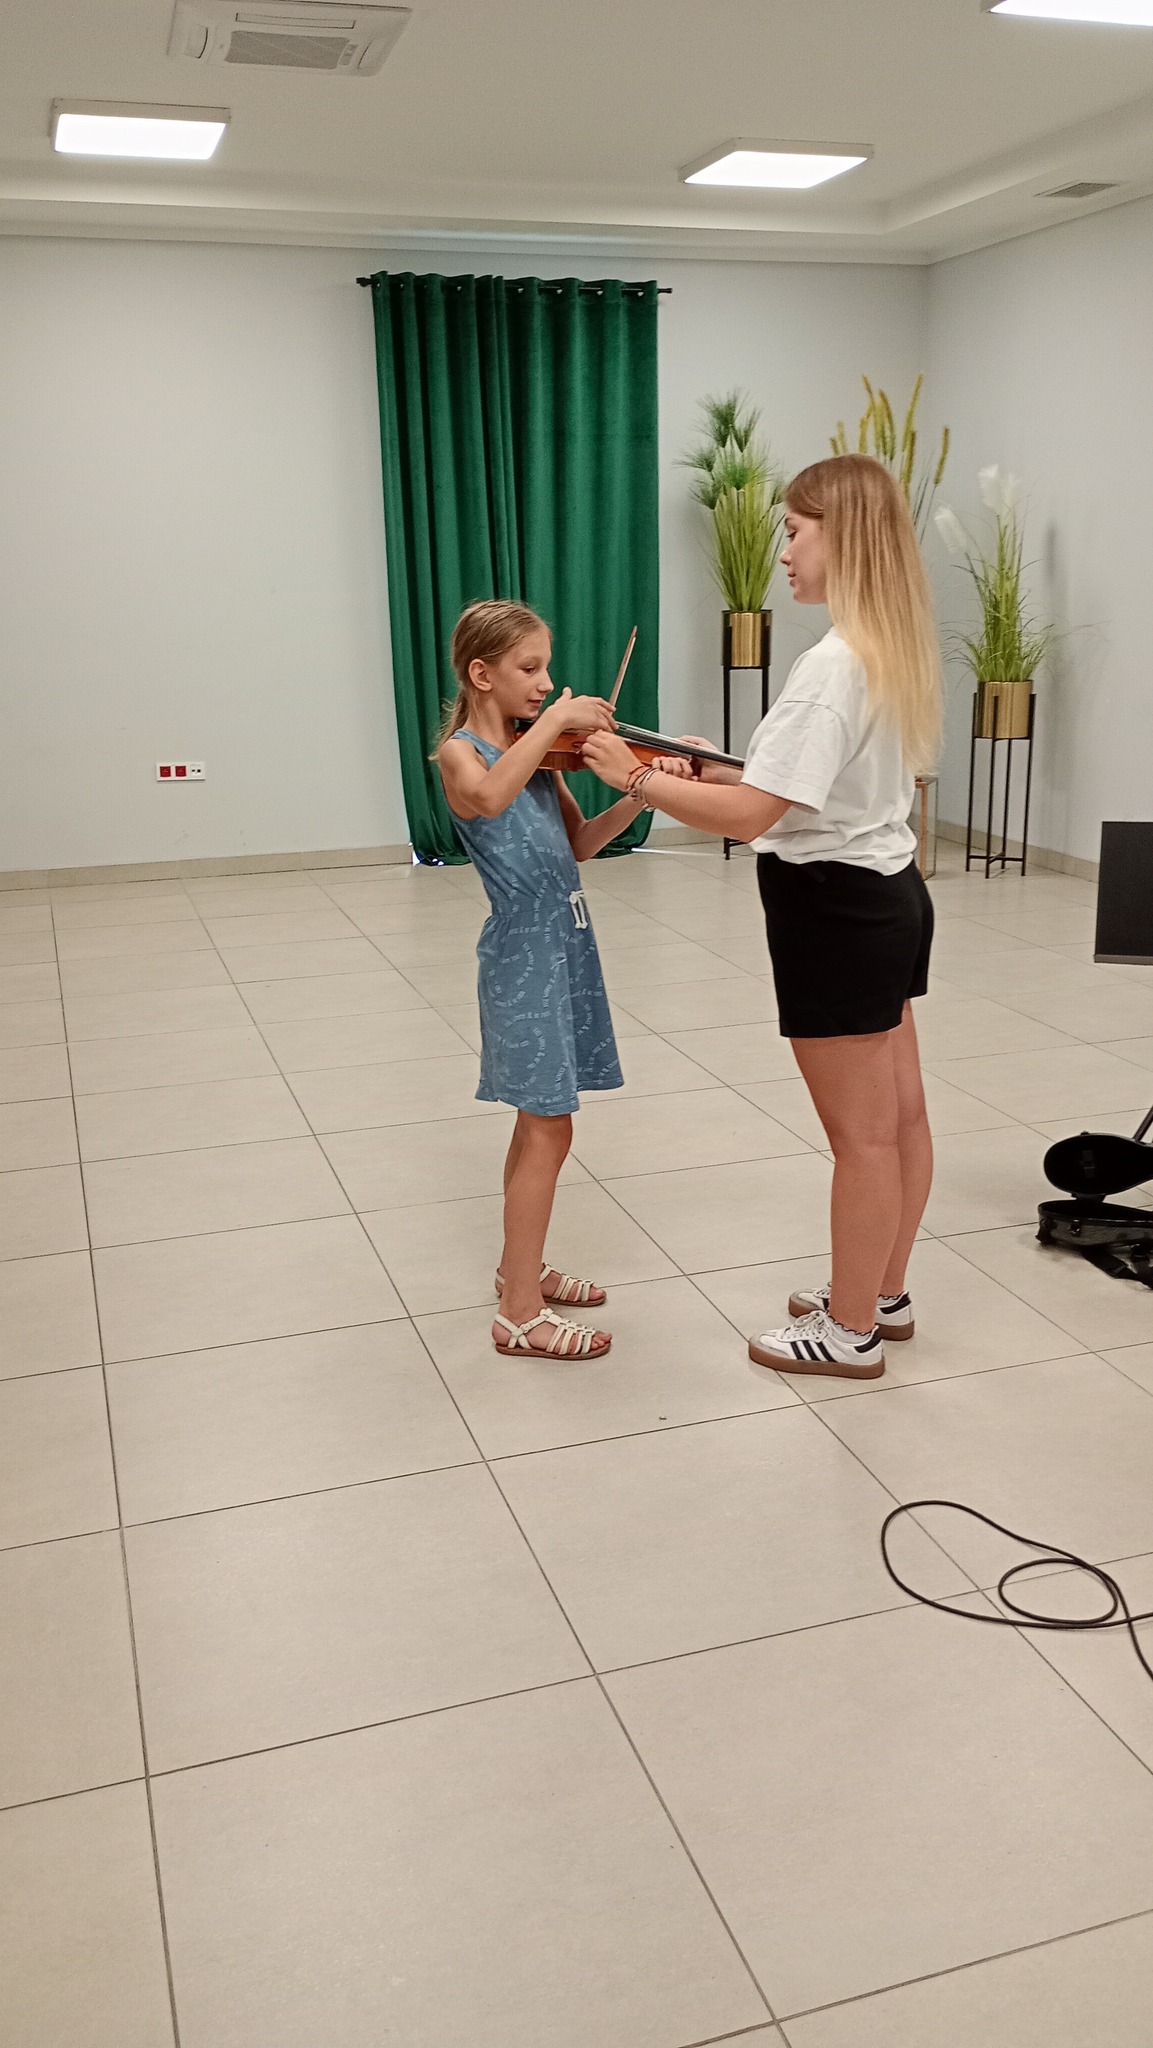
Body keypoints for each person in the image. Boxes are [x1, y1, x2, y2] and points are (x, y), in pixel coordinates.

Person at [582, 454, 940, 1381]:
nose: (782, 551)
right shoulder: (885, 647)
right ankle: (882, 1294)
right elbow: (800, 788)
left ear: (840, 537)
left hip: (835, 914)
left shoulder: (830, 666)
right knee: (899, 1119)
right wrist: (724, 766)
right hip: (887, 894)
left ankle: (849, 1331)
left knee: (861, 1137)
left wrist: (633, 775)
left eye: (793, 531)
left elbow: (750, 819)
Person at [437, 599, 684, 1361]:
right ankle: (518, 1312)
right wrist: (552, 725)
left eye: (546, 669)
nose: (546, 683)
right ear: (482, 674)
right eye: (530, 668)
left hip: (569, 945)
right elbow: (486, 799)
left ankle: (520, 1268)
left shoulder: (536, 753)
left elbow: (579, 843)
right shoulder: (463, 754)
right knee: (550, 1122)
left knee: (537, 1120)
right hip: (523, 955)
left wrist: (640, 789)